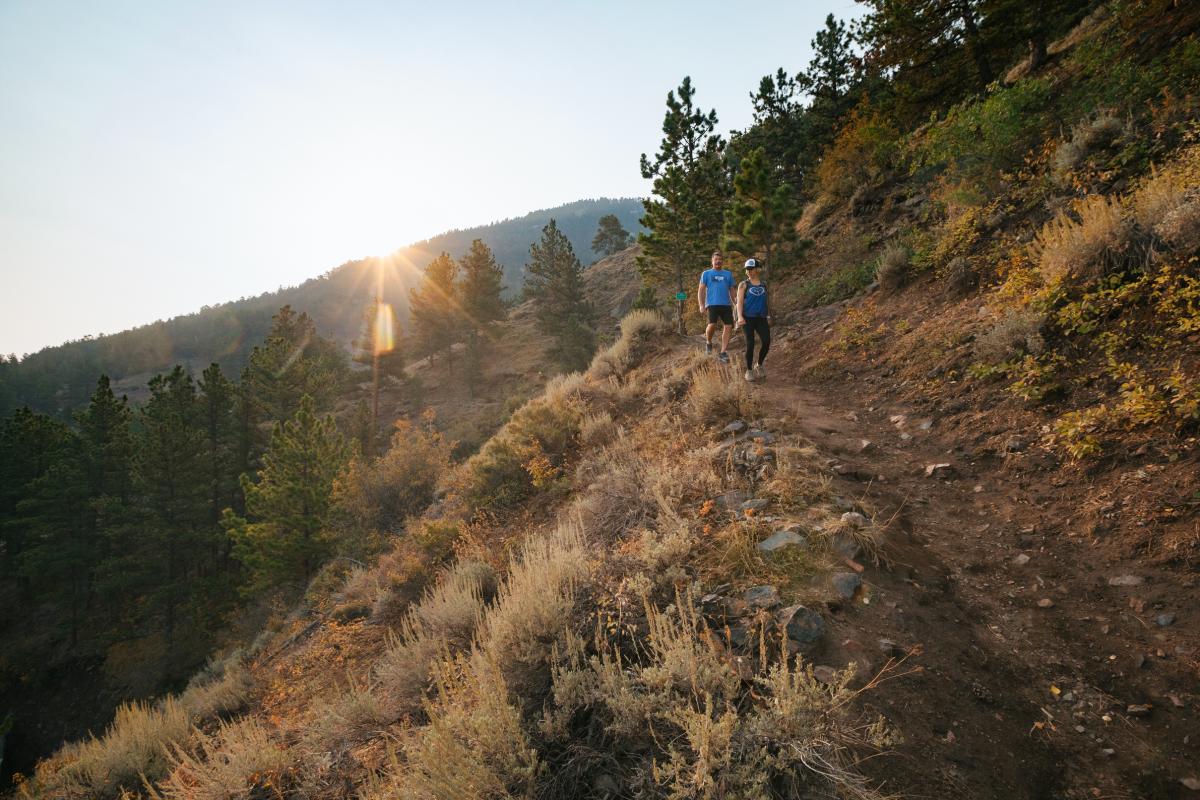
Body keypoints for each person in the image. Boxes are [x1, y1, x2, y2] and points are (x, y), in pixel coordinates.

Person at [735, 258, 770, 382]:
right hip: (747, 318)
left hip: (761, 318)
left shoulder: (764, 284)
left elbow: (766, 301)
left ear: (757, 269)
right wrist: (739, 317)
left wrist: (768, 314)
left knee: (766, 341)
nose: (749, 271)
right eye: (747, 269)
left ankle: (759, 365)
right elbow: (739, 302)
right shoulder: (743, 284)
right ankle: (749, 370)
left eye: (751, 269)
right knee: (750, 344)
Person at [698, 250, 734, 363]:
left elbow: (732, 290)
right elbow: (701, 290)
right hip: (712, 304)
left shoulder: (728, 274)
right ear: (712, 261)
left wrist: (736, 303)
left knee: (728, 326)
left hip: (726, 305)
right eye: (716, 260)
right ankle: (708, 342)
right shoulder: (706, 274)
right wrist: (701, 305)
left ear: (722, 261)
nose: (718, 261)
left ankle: (723, 352)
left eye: (720, 260)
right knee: (712, 325)